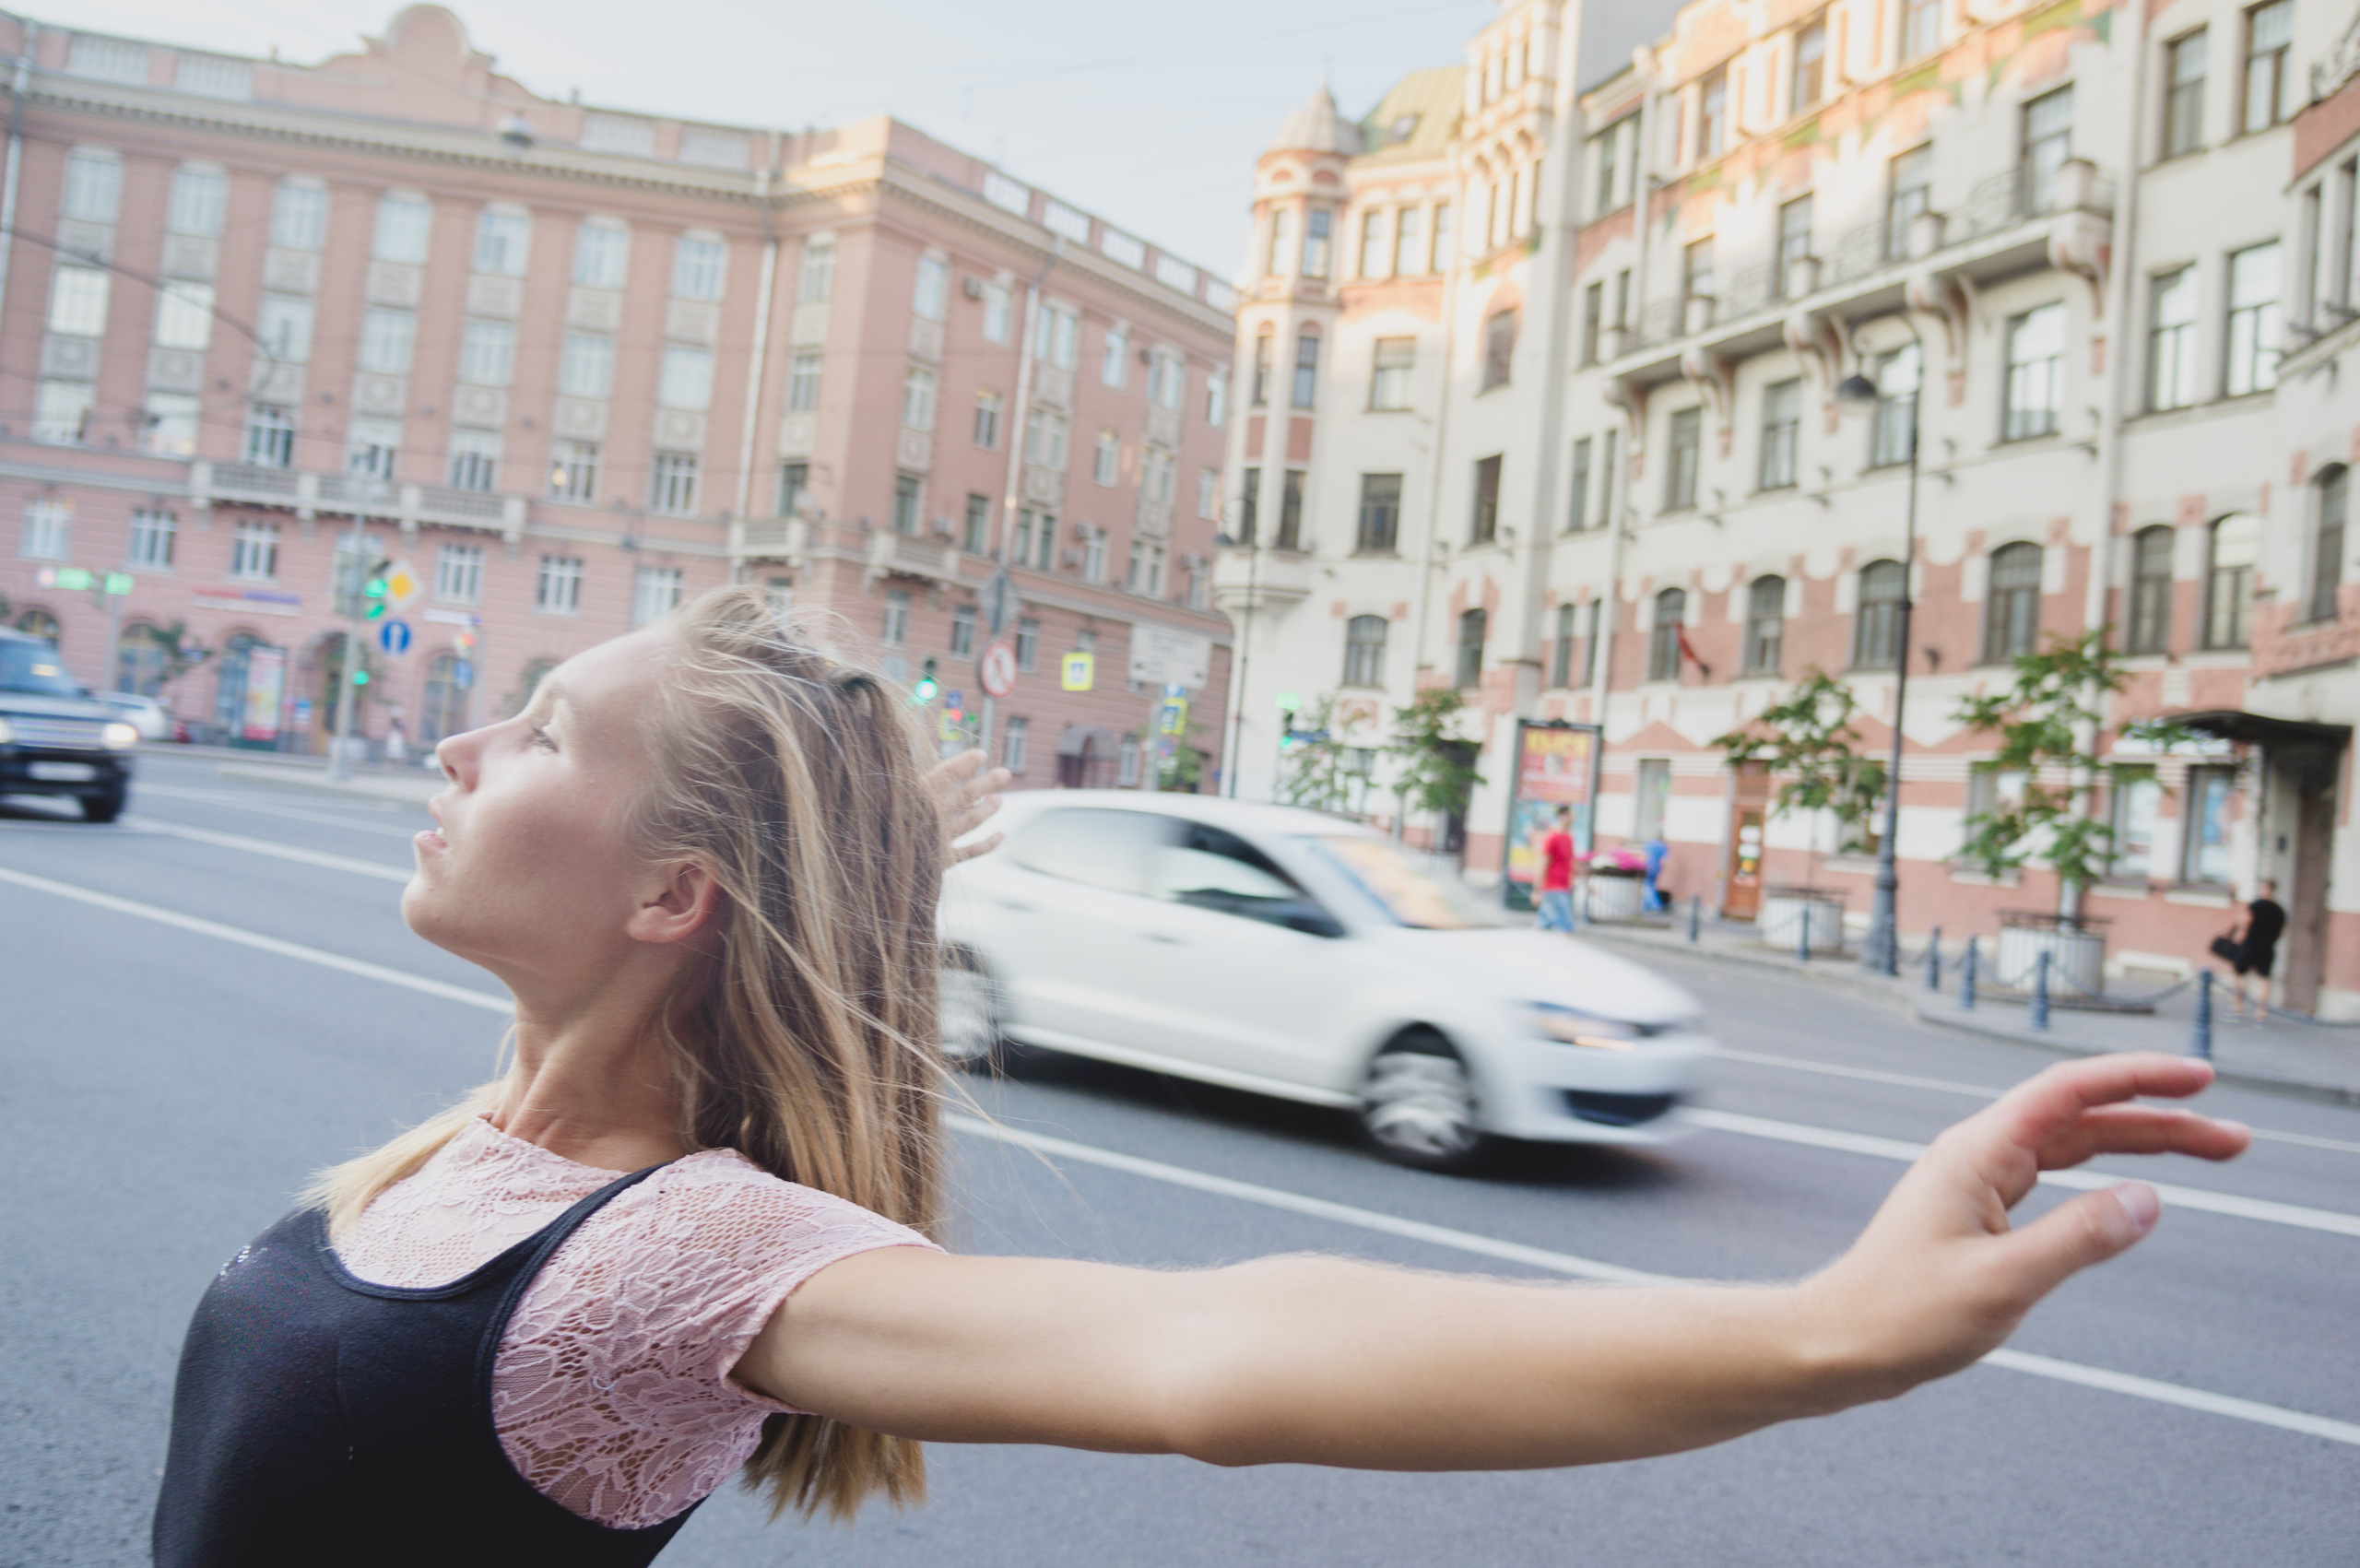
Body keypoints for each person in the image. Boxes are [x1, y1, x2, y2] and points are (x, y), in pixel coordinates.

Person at [152, 588, 2248, 1565]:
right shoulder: (452, 1144)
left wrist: (1818, 1335)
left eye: (531, 728)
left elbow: (1215, 1351)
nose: (453, 752)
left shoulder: (666, 1253)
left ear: (669, 892)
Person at [2211, 878, 2288, 1024]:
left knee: (2238, 975)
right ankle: (2261, 1014)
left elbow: (2244, 921)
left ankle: (2236, 1009)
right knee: (2263, 979)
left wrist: (2238, 935)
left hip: (2250, 946)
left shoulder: (2256, 905)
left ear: (2265, 889)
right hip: (2268, 947)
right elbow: (2281, 931)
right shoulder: (2279, 910)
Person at [1532, 805, 1576, 933]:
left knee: (1542, 924)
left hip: (1563, 886)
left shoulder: (1568, 837)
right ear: (1562, 817)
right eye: (1570, 816)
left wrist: (1587, 883)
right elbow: (1542, 863)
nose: (1572, 819)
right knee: (1565, 926)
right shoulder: (1552, 837)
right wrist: (1536, 890)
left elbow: (1571, 862)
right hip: (1553, 887)